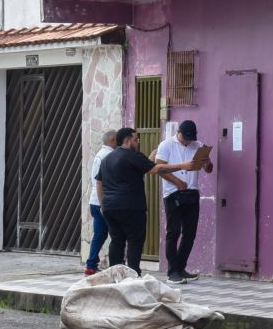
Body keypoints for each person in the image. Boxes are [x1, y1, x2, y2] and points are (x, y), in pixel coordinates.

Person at [101, 128, 195, 275]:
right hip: (131, 206)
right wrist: (182, 165)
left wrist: (102, 204)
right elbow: (157, 169)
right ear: (127, 141)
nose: (138, 142)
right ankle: (133, 274)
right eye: (135, 139)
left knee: (116, 240)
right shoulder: (132, 155)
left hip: (109, 207)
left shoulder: (107, 159)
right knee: (135, 240)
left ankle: (114, 275)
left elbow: (99, 181)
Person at [155, 119, 214, 283]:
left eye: (190, 138)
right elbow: (159, 169)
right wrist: (177, 182)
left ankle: (180, 267)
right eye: (185, 138)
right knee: (173, 232)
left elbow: (209, 170)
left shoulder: (198, 145)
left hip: (192, 192)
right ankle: (172, 272)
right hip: (173, 193)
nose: (188, 141)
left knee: (190, 233)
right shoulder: (166, 145)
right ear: (178, 133)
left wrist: (207, 163)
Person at [85, 129, 117, 276]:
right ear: (112, 141)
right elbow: (102, 181)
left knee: (99, 234)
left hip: (95, 201)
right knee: (115, 234)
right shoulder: (109, 156)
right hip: (103, 201)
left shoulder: (100, 153)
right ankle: (114, 264)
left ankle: (91, 264)